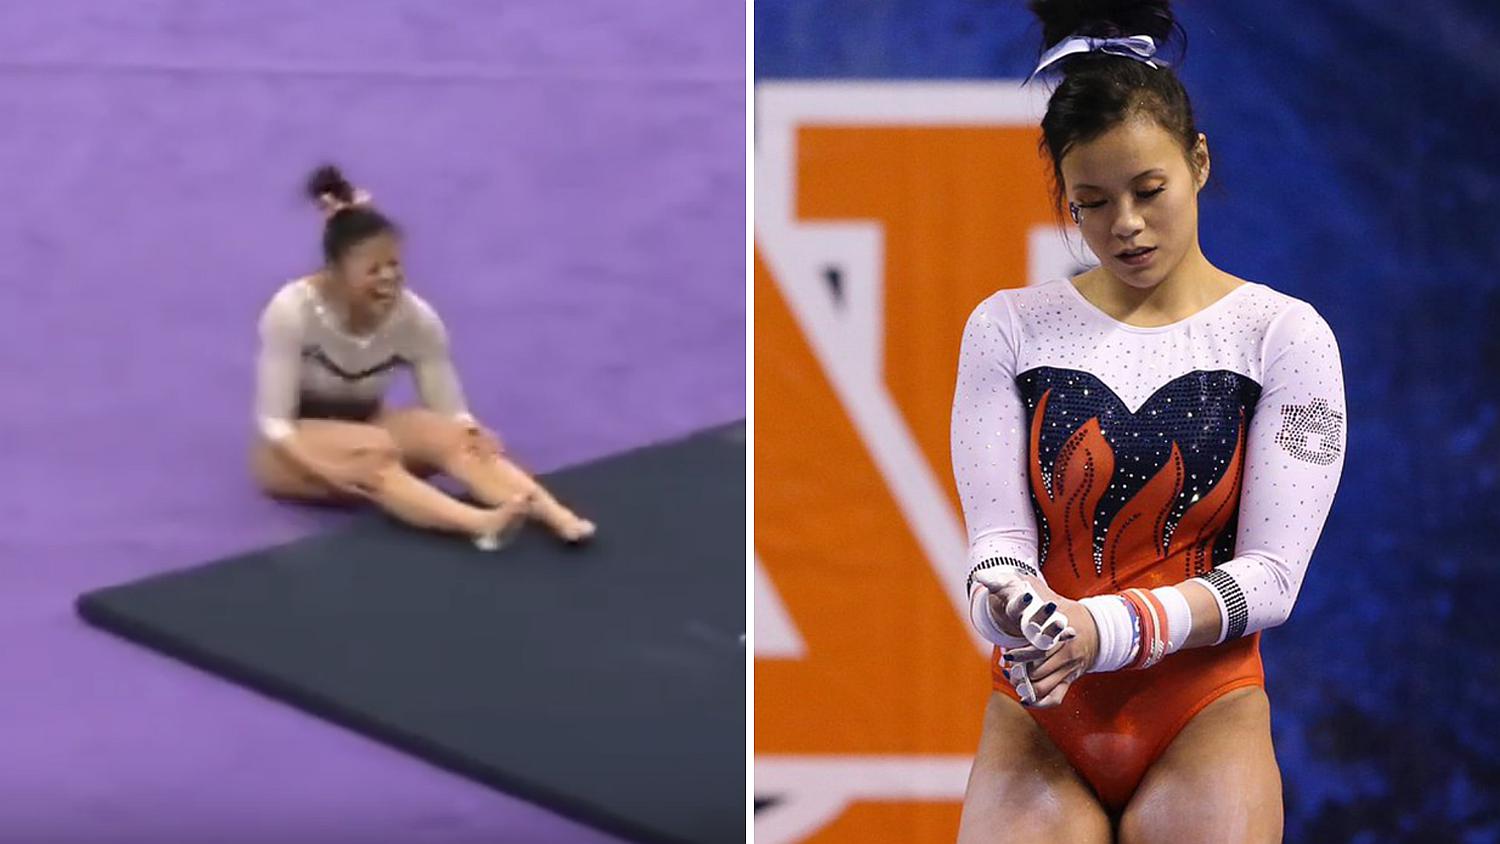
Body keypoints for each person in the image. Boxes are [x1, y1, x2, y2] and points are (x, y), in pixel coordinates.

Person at [950, 3, 1346, 840]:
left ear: (1198, 163)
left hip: (1201, 707)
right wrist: (1017, 607)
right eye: (1091, 202)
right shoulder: (1007, 327)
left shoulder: (1284, 334)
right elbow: (994, 546)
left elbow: (1273, 576)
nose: (1124, 225)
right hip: (1043, 706)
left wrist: (1110, 627)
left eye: (1148, 190)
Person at [250, 165, 597, 549]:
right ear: (334, 273)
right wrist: (325, 469)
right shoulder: (291, 312)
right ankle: (479, 522)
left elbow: (449, 408)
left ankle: (554, 514)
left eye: (394, 265)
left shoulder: (417, 320)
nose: (387, 279)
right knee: (373, 452)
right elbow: (275, 423)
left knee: (451, 436)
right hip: (293, 453)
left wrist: (471, 429)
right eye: (373, 270)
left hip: (368, 428)